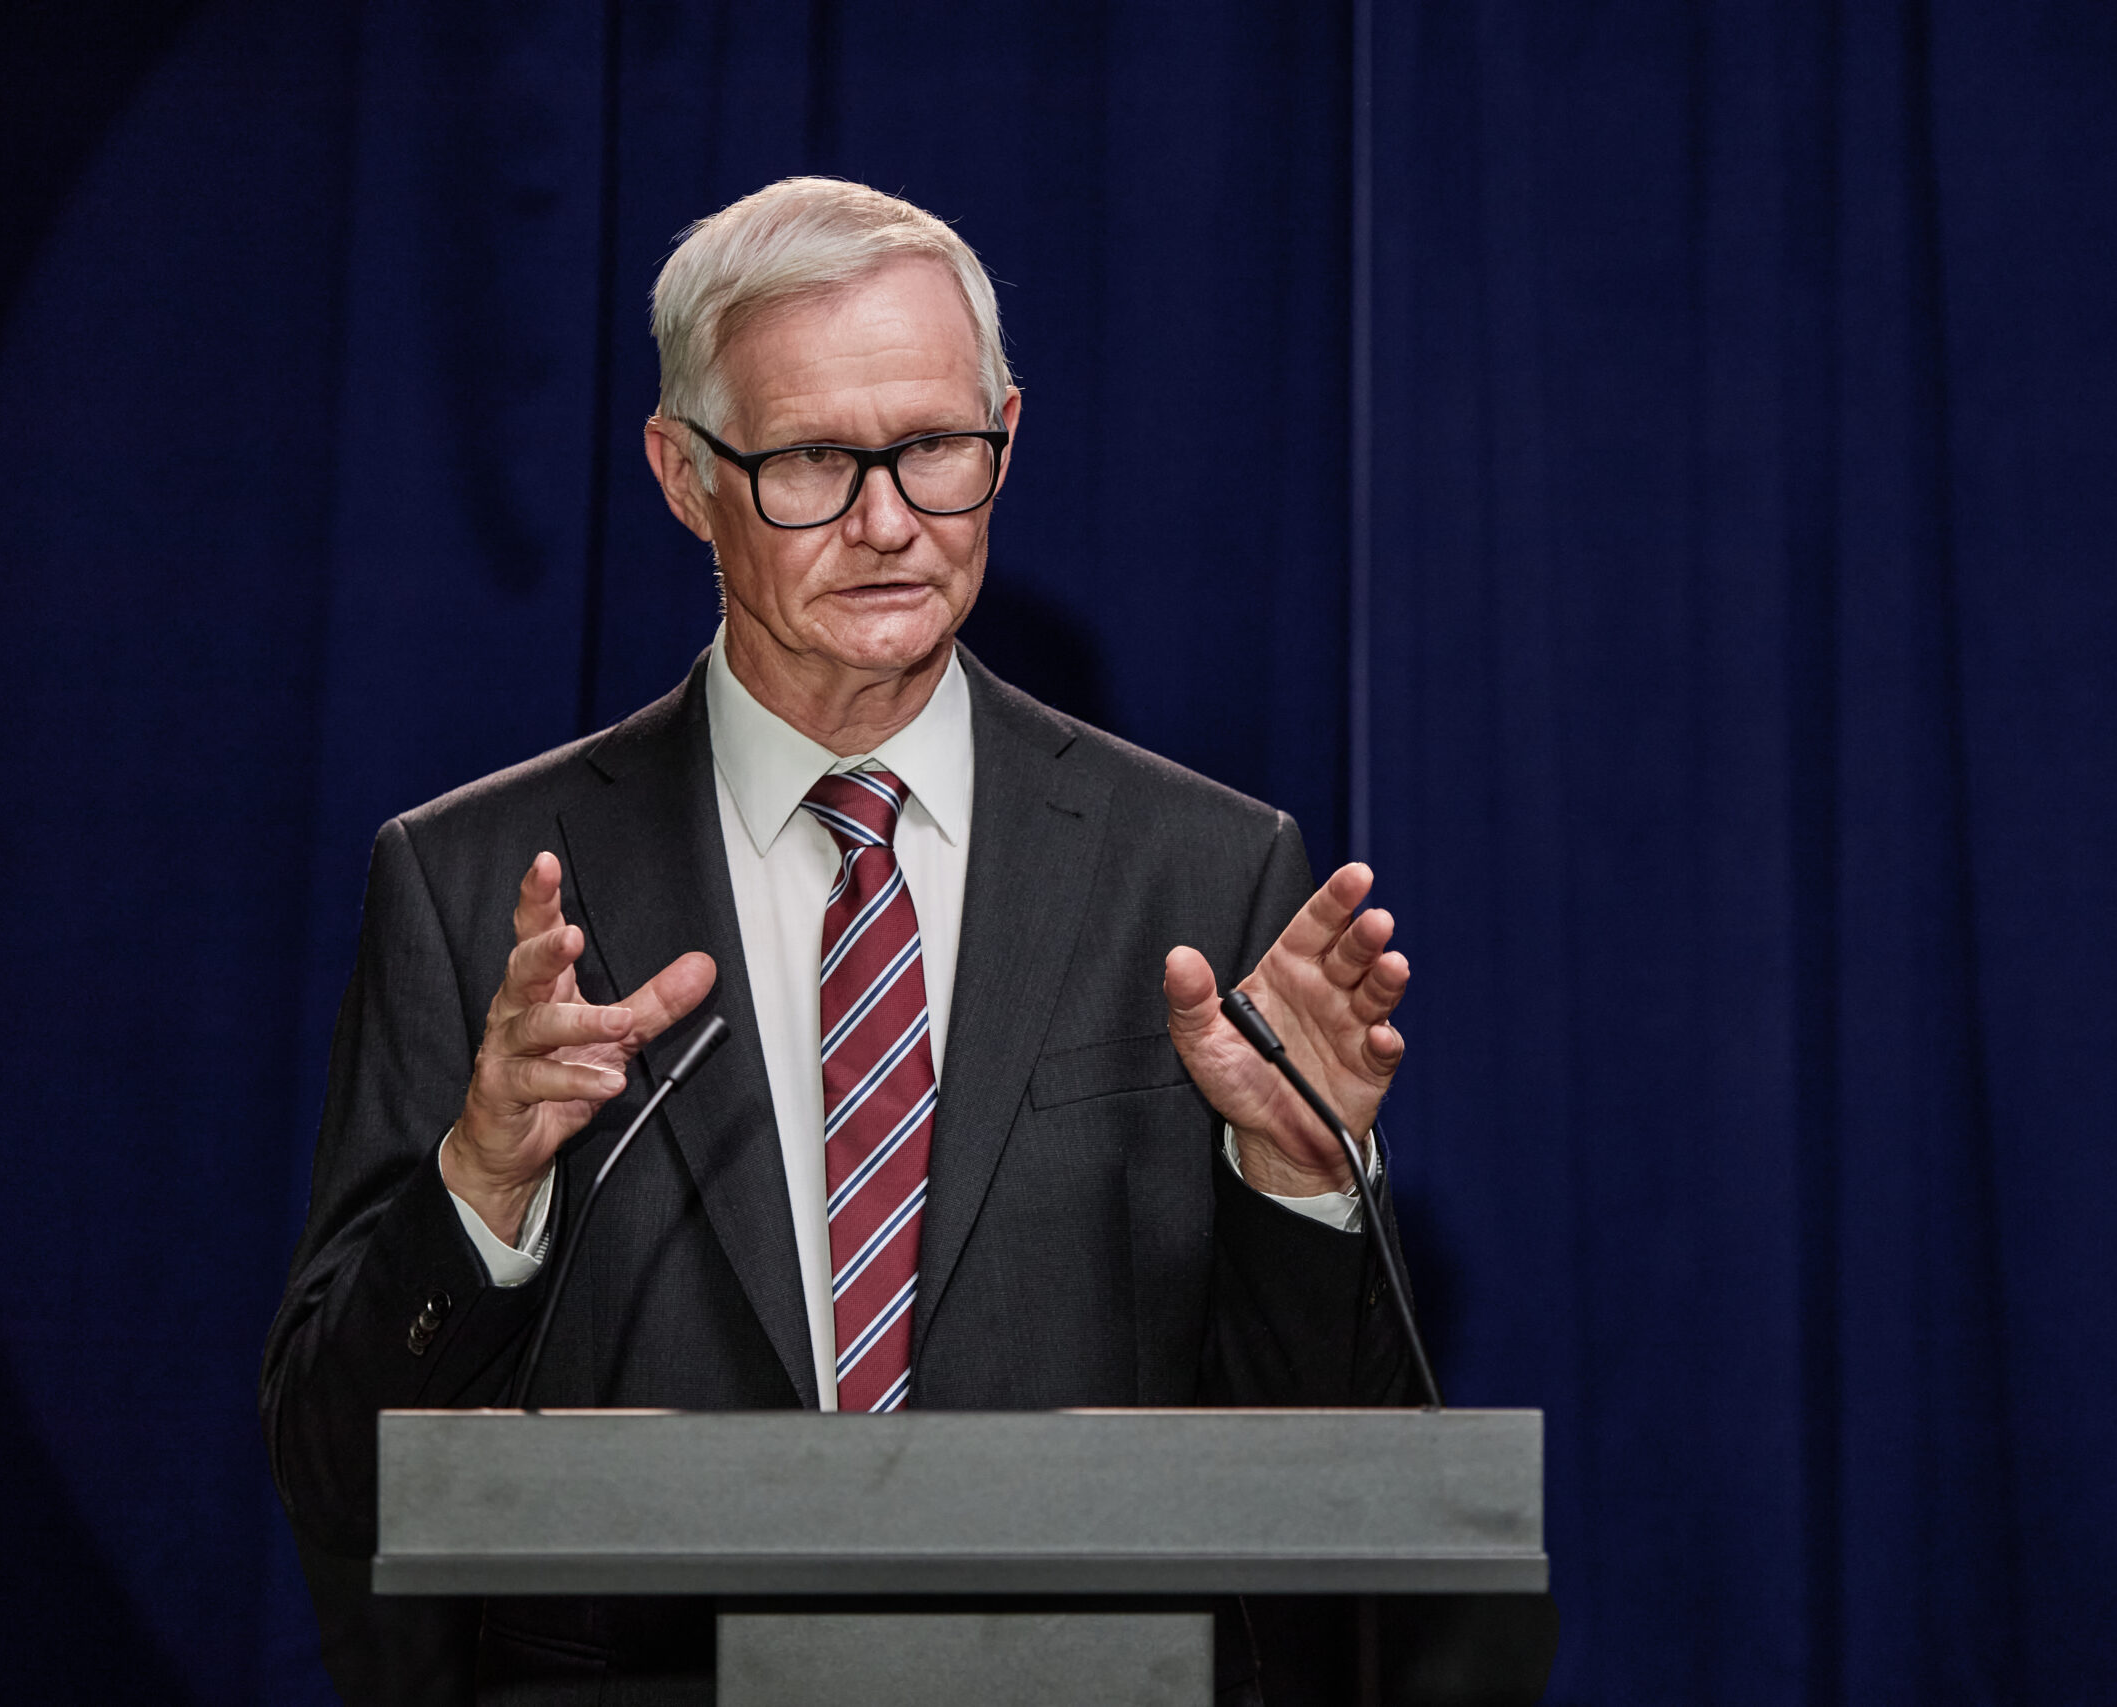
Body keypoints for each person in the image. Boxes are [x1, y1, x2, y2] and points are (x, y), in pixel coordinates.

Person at [261, 177, 1418, 1704]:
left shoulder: (1205, 874)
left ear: (1007, 434)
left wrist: (1299, 1192)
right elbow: (341, 1474)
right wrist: (480, 1186)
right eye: (813, 458)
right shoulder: (475, 884)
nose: (887, 522)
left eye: (935, 449)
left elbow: (1340, 1504)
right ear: (684, 477)